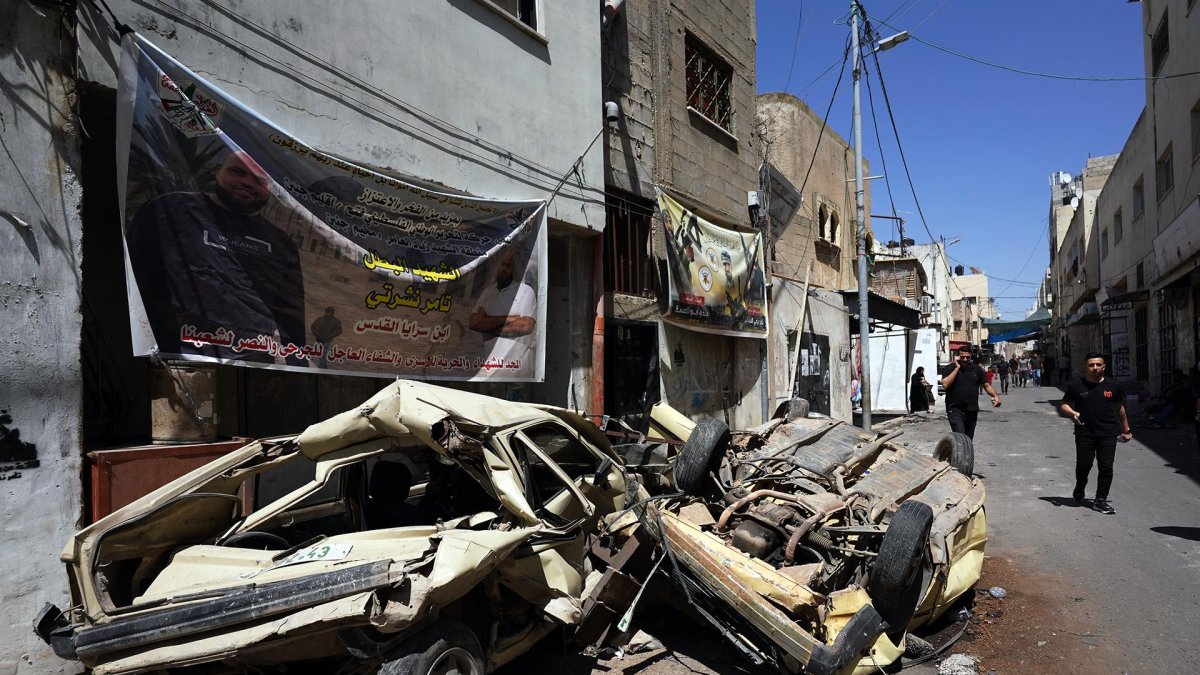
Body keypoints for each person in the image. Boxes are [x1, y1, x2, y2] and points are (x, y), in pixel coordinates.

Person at [127, 151, 305, 362]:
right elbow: (132, 277)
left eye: (259, 180)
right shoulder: (171, 209)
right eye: (237, 172)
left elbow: (291, 316)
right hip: (171, 356)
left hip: (250, 363)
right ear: (217, 172)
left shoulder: (281, 244)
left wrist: (298, 365)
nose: (247, 182)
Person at [1059, 352, 1132, 514]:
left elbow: (1120, 408)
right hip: (1085, 432)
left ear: (1104, 367)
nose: (1095, 367)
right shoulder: (1076, 386)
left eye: (1098, 364)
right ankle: (1080, 485)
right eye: (1091, 365)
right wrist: (1073, 413)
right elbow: (1064, 404)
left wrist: (1126, 429)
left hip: (1108, 433)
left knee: (1106, 467)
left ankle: (1100, 500)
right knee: (1084, 465)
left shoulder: (1114, 386)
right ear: (1085, 367)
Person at [470, 246, 536, 369]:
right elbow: (474, 322)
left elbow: (526, 325)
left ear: (516, 269)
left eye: (508, 266)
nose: (503, 269)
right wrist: (511, 319)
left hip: (516, 368)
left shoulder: (525, 291)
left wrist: (489, 326)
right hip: (490, 365)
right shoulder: (488, 292)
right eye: (502, 264)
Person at [940, 345, 1002, 440]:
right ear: (957, 356)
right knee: (961, 437)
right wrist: (957, 368)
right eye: (962, 357)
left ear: (971, 356)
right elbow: (945, 384)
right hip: (955, 409)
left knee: (968, 440)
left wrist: (995, 396)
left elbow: (986, 385)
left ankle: (965, 450)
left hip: (971, 409)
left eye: (967, 357)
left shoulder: (977, 369)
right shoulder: (950, 368)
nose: (965, 359)